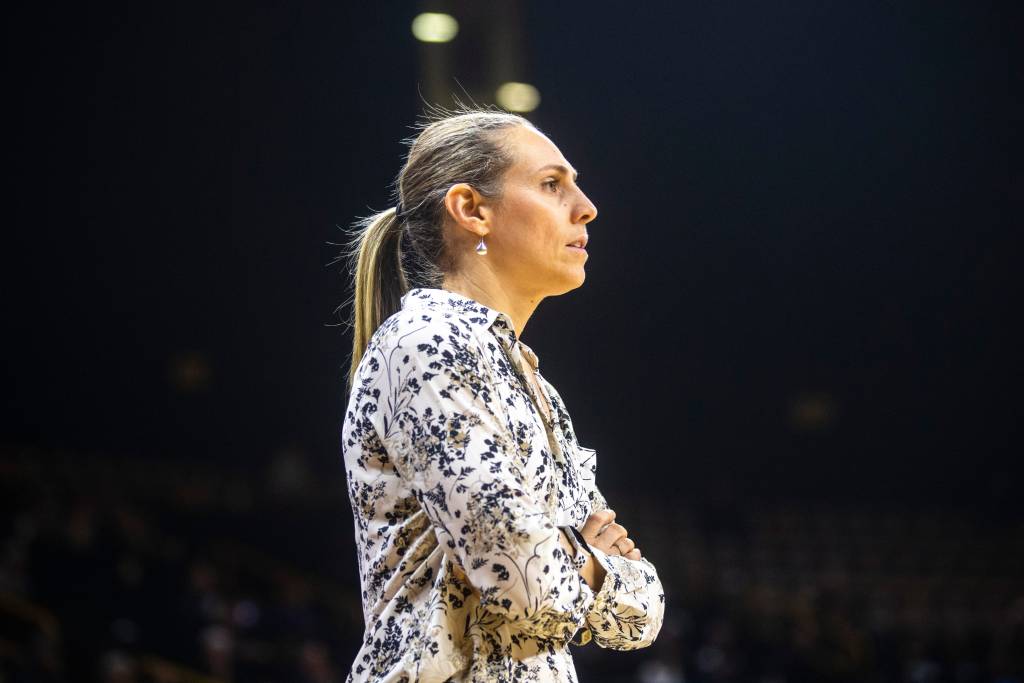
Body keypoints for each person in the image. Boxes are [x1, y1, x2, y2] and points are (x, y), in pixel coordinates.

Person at [340, 106, 665, 682]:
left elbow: (643, 615)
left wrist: (570, 558)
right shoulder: (428, 345)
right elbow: (527, 587)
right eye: (551, 184)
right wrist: (593, 563)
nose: (587, 207)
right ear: (471, 210)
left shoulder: (530, 381)